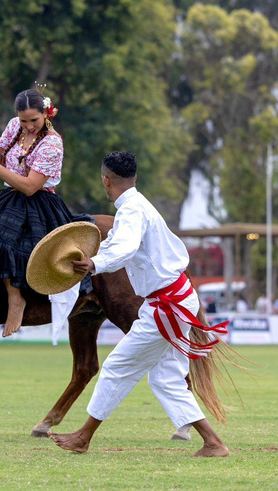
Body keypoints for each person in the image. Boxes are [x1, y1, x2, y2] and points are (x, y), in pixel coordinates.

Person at [49, 151, 229, 457]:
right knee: (166, 377)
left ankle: (83, 437)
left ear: (106, 180)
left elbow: (125, 246)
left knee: (117, 367)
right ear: (135, 178)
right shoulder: (138, 205)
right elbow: (123, 244)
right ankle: (212, 443)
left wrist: (94, 263)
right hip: (172, 299)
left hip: (167, 304)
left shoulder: (132, 210)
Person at [0, 87, 74, 337]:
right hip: (10, 196)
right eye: (24, 120)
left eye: (34, 120)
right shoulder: (14, 125)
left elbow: (29, 186)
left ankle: (16, 299)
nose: (28, 126)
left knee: (0, 234)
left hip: (38, 202)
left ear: (46, 113)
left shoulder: (52, 143)